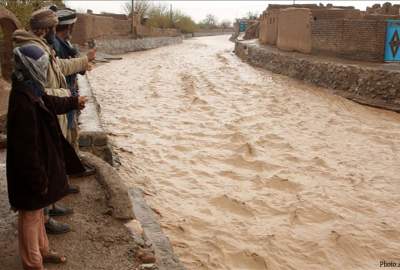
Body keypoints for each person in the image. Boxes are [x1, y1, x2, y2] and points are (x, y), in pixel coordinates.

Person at [12, 7, 95, 234]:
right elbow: (42, 91)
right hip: (46, 112)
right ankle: (45, 217)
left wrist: (82, 61)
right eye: (54, 27)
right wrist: (71, 99)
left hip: (51, 109)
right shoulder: (32, 51)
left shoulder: (40, 46)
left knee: (51, 162)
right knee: (44, 166)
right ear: (48, 29)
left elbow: (57, 69)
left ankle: (49, 208)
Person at [7, 44, 87, 270]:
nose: (43, 69)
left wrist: (73, 102)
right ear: (30, 67)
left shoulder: (29, 89)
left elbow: (49, 102)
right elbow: (26, 150)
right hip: (29, 172)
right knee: (30, 217)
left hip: (36, 168)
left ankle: (42, 251)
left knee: (37, 213)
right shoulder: (22, 100)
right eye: (41, 65)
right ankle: (33, 264)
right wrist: (38, 179)